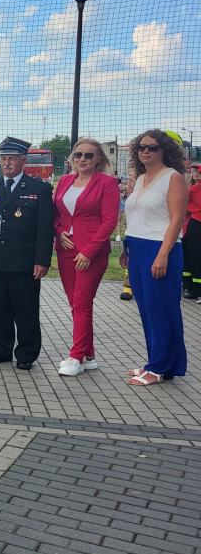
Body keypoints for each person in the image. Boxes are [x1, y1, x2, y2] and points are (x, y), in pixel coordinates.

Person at [0, 137, 54, 370]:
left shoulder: (39, 189)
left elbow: (45, 229)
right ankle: (0, 350)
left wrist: (42, 260)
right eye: (3, 158)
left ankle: (26, 354)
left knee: (25, 309)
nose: (7, 163)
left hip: (24, 261)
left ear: (23, 160)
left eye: (12, 158)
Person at [119, 129, 188, 386]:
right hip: (137, 248)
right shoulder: (139, 180)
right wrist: (126, 248)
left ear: (164, 151)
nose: (146, 151)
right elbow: (135, 217)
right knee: (147, 310)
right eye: (142, 147)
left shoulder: (174, 178)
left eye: (153, 147)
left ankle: (160, 367)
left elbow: (176, 220)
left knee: (162, 310)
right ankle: (156, 361)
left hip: (161, 249)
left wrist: (162, 256)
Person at [51, 138, 120, 376]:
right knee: (76, 304)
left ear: (98, 159)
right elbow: (56, 214)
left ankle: (76, 356)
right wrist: (59, 233)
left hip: (91, 252)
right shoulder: (65, 181)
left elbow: (109, 221)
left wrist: (89, 251)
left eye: (88, 155)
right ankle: (89, 356)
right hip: (65, 250)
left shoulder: (107, 183)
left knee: (81, 302)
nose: (82, 159)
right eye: (78, 154)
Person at [184, 165, 201, 302]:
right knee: (190, 256)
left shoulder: (192, 189)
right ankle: (190, 287)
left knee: (193, 256)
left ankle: (194, 289)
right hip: (189, 226)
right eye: (195, 171)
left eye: (199, 172)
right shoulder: (191, 188)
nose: (196, 173)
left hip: (194, 224)